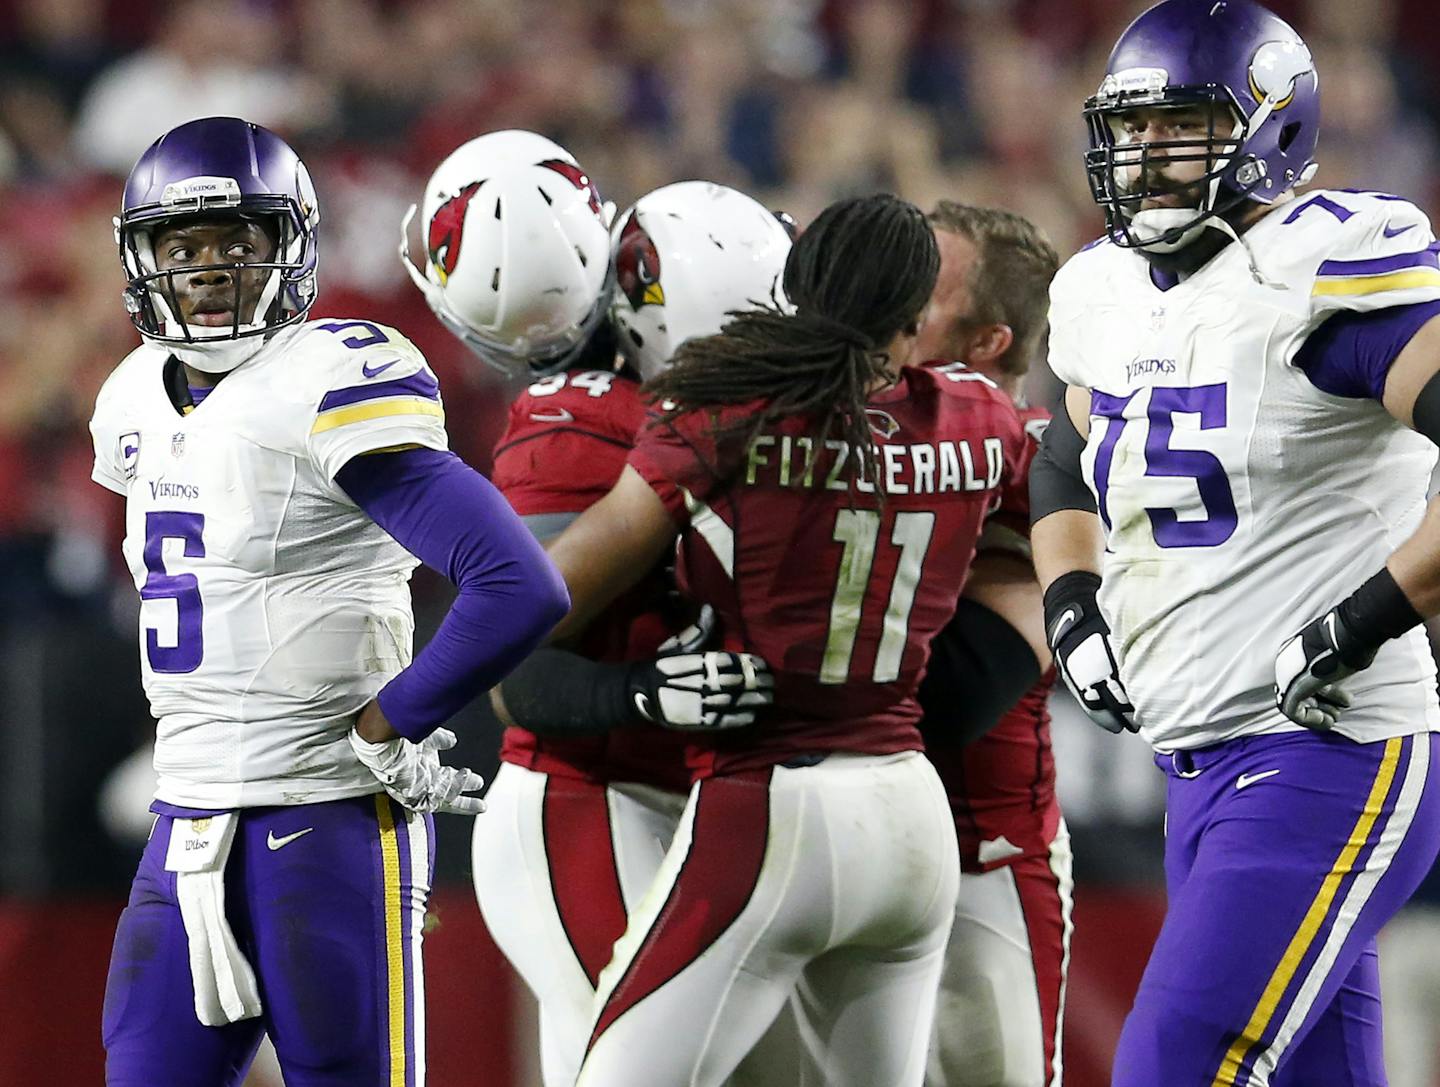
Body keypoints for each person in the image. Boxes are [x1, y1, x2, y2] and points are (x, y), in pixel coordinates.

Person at [91, 116, 569, 1087]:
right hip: (183, 824)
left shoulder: (326, 375)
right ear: (145, 260)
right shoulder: (133, 395)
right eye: (184, 247)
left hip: (327, 820)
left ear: (292, 246)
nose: (212, 269)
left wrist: (393, 719)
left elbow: (517, 582)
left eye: (240, 241)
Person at [533, 193, 1030, 1087]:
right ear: (917, 315)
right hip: (911, 816)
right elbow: (1063, 488)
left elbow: (549, 595)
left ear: (790, 284)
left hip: (773, 805)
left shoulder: (724, 409)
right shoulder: (982, 419)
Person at [1030, 3, 1440, 1084]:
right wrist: (1073, 607)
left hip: (1326, 753)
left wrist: (1368, 618)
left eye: (1181, 127)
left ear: (1271, 130)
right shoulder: (1106, 290)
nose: (1145, 157)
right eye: (1132, 129)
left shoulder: (1329, 268)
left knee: (1170, 1065)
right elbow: (1068, 455)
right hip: (1195, 768)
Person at [401, 130, 793, 1087]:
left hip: (711, 802)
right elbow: (517, 666)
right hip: (595, 799)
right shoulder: (570, 426)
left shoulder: (687, 320)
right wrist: (647, 695)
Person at [913, 201, 1068, 1087]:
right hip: (830, 849)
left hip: (984, 862)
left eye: (924, 289)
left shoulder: (1034, 466)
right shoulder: (829, 429)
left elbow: (954, 700)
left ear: (985, 344)